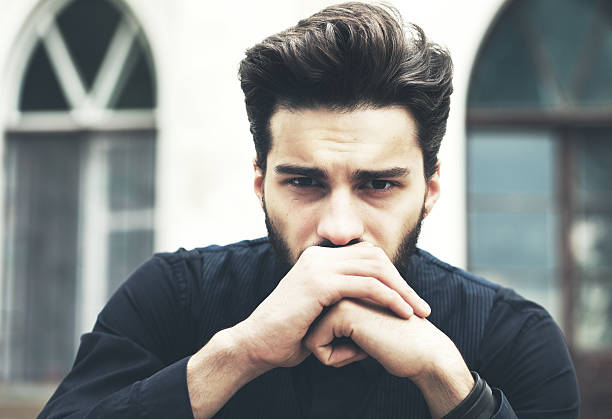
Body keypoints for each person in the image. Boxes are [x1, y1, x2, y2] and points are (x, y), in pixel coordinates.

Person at [39, 2, 579, 418]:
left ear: (430, 189)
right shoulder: (172, 298)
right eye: (303, 182)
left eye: (379, 185)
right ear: (260, 183)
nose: (339, 230)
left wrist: (446, 379)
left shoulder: (512, 338)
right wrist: (239, 354)